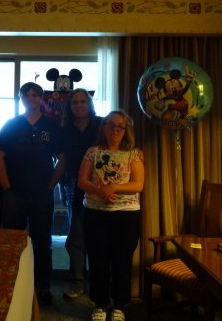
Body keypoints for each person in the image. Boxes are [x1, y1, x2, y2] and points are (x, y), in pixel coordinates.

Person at [0, 82, 66, 306]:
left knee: (43, 242)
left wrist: (51, 186)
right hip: (14, 194)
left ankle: (43, 285)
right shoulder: (12, 124)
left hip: (41, 194)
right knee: (13, 242)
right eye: (27, 94)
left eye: (35, 95)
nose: (31, 98)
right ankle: (12, 283)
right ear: (21, 98)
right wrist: (6, 187)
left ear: (41, 98)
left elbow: (62, 159)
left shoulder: (51, 126)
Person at [78, 110, 144, 321]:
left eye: (120, 126)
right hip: (95, 213)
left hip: (126, 216)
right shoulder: (92, 151)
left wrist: (112, 186)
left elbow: (138, 185)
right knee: (98, 261)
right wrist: (100, 190)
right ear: (104, 127)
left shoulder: (134, 154)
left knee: (121, 261)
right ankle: (99, 303)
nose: (115, 129)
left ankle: (119, 306)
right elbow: (82, 181)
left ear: (126, 130)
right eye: (111, 125)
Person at [60, 88, 103, 299]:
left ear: (89, 103)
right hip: (73, 189)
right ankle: (77, 281)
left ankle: (100, 282)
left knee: (99, 237)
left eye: (82, 101)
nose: (78, 105)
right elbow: (60, 159)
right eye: (74, 102)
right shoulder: (64, 128)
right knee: (76, 236)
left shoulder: (102, 124)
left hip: (101, 190)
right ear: (70, 106)